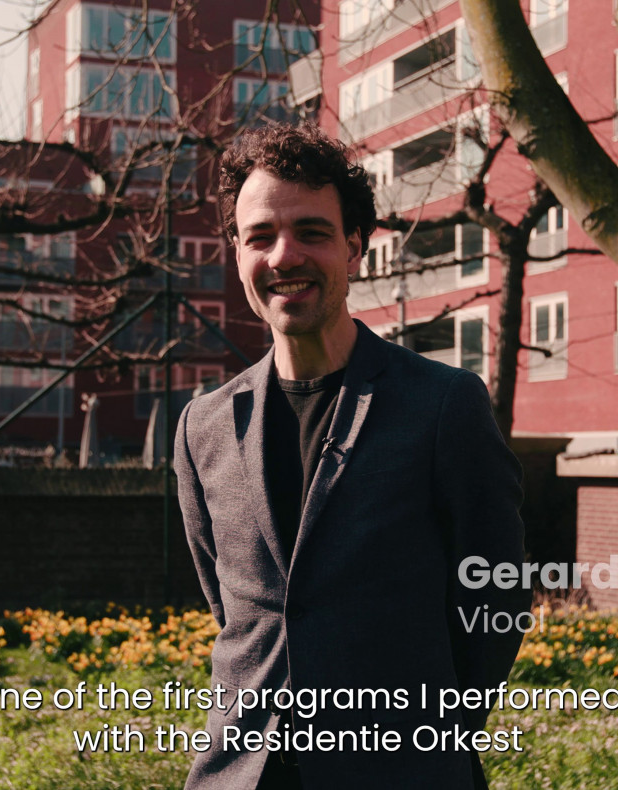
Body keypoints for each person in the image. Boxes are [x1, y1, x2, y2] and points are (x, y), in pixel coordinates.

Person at [174, 123, 530, 790]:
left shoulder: (443, 405)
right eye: (260, 236)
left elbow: (498, 595)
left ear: (355, 248)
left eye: (311, 232)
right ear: (237, 252)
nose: (284, 256)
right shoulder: (203, 426)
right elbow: (233, 611)